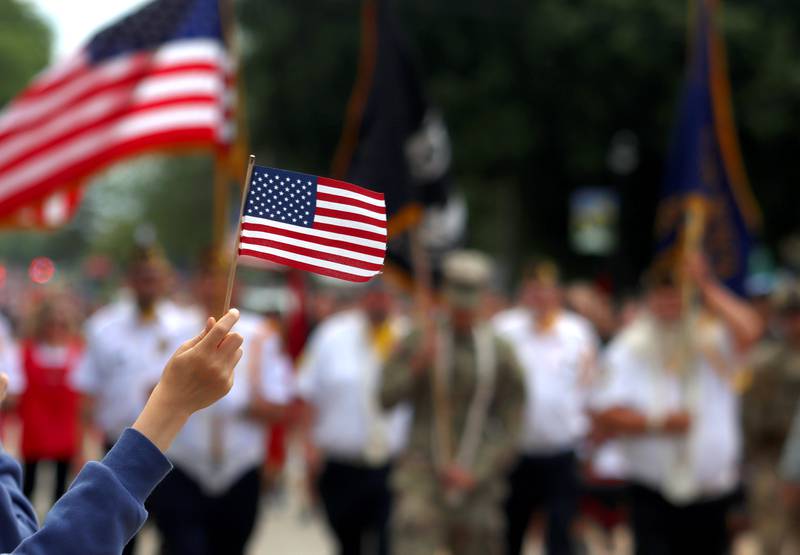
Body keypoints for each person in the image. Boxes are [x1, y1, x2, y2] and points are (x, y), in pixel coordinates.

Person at [0, 308, 244, 554]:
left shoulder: (177, 325)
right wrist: (170, 406)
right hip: (124, 449)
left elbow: (15, 536)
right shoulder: (104, 327)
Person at [593, 254, 762, 555]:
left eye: (677, 298)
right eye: (662, 299)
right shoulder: (630, 346)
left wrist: (706, 284)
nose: (669, 307)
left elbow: (750, 330)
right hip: (652, 492)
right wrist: (657, 423)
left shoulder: (712, 338)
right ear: (649, 301)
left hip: (711, 494)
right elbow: (605, 412)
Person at [380, 250, 525, 555]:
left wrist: (479, 468)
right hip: (422, 475)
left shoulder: (499, 351)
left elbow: (514, 419)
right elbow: (385, 398)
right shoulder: (420, 339)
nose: (462, 312)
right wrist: (417, 366)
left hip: (478, 478)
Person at [150, 252, 292, 555]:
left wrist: (243, 402)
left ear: (235, 284)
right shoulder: (172, 331)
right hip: (183, 465)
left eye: (221, 277)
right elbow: (150, 394)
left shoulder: (261, 336)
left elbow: (280, 408)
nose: (213, 286)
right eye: (206, 277)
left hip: (239, 468)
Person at [71, 244, 185, 555]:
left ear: (166, 280)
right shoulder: (103, 327)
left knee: (176, 536)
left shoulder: (184, 326)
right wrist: (82, 447)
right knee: (117, 538)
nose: (148, 284)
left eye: (154, 277)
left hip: (173, 452)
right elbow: (88, 391)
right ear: (129, 280)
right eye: (141, 277)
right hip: (120, 447)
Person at [296, 279, 410, 555]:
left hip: (393, 465)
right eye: (374, 296)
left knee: (388, 543)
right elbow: (308, 393)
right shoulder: (332, 334)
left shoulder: (408, 337)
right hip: (342, 464)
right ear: (363, 298)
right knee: (347, 543)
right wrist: (309, 452)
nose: (379, 303)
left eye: (386, 297)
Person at [494, 260, 599, 555]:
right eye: (533, 290)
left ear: (558, 294)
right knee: (510, 532)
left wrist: (588, 443)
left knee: (560, 535)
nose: (539, 297)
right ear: (523, 293)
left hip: (562, 452)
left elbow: (588, 390)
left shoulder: (577, 332)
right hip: (516, 450)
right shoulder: (504, 329)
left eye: (546, 291)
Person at [745, 283, 800, 552]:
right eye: (790, 314)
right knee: (771, 539)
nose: (795, 322)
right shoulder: (765, 361)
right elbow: (751, 417)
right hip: (773, 459)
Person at [16, 293, 83, 504]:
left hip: (66, 429)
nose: (56, 329)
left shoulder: (78, 352)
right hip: (34, 429)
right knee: (28, 486)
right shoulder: (26, 351)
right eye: (51, 324)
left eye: (61, 324)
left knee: (61, 490)